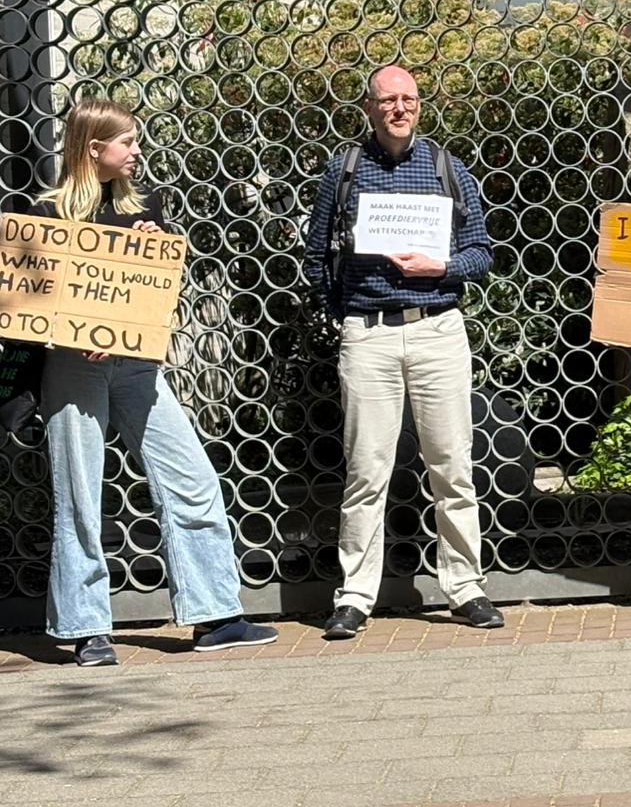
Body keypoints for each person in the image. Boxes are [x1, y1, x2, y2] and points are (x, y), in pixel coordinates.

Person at [32, 98, 278, 666]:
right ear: (94, 149)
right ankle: (87, 628)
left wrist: (153, 246)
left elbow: (156, 291)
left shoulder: (146, 206)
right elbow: (31, 300)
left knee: (190, 477)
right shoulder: (46, 214)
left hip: (138, 366)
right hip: (74, 367)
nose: (138, 152)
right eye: (128, 143)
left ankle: (216, 614)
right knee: (80, 496)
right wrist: (80, 330)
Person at [303, 64, 502, 638]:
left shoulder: (448, 168)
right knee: (367, 470)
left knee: (452, 465)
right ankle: (355, 595)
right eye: (387, 99)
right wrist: (348, 319)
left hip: (438, 329)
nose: (399, 108)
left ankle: (465, 586)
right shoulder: (342, 171)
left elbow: (481, 252)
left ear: (420, 105)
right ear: (368, 107)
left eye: (408, 99)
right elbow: (318, 258)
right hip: (368, 334)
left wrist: (442, 267)